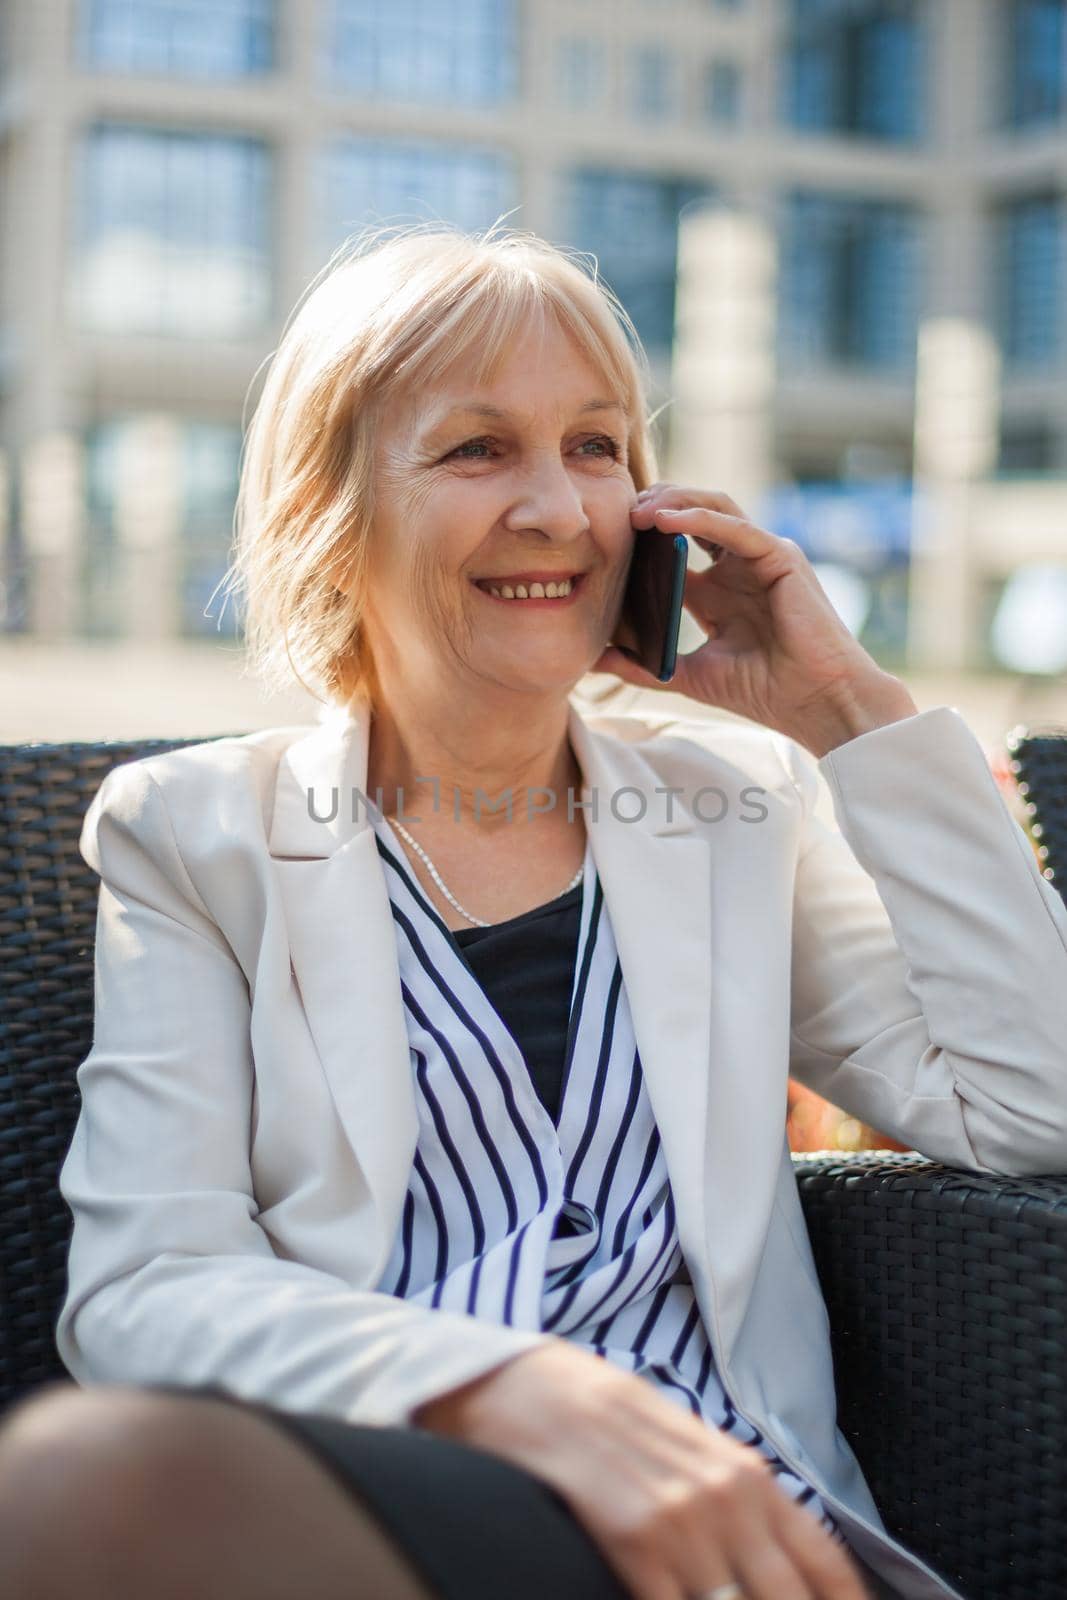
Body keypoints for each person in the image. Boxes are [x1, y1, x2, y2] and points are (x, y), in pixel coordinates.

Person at [3, 221, 1066, 1600]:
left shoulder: (735, 805)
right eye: (476, 449)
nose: (560, 510)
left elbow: (1036, 1101)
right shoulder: (197, 838)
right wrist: (496, 1388)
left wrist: (851, 715)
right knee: (84, 1484)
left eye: (597, 445)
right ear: (334, 508)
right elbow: (144, 1286)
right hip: (400, 1515)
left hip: (739, 1526)